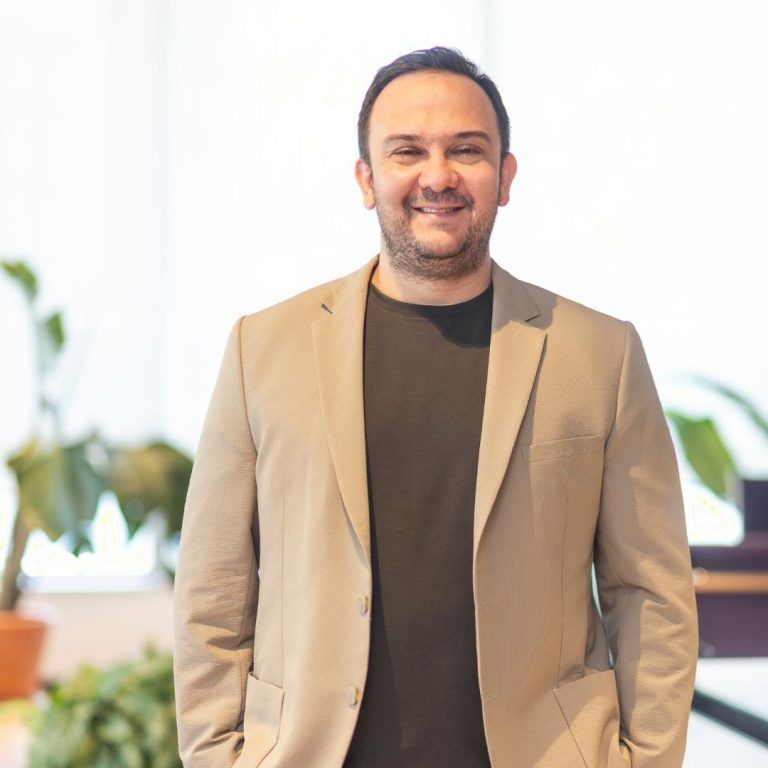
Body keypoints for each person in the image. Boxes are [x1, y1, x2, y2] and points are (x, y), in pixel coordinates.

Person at [173, 46, 699, 768]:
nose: (438, 176)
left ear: (505, 176)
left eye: (467, 150)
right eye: (407, 151)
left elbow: (652, 593)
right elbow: (213, 590)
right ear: (366, 179)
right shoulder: (261, 349)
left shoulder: (600, 355)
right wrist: (216, 755)